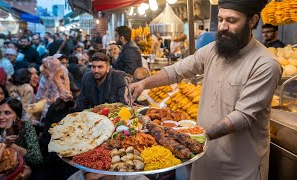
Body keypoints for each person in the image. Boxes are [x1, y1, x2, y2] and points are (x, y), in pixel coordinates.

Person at [126, 0, 282, 179]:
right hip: (204, 157)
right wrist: (143, 84)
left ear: (252, 21)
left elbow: (242, 116)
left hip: (239, 166)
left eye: (231, 21)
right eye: (220, 19)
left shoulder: (265, 64)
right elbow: (177, 71)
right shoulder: (213, 50)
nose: (222, 27)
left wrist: (195, 137)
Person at [63, 53, 127, 111]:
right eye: (93, 67)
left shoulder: (118, 77)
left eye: (100, 67)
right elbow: (82, 103)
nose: (96, 70)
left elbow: (125, 103)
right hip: (95, 118)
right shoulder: (87, 78)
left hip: (114, 116)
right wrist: (71, 103)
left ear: (108, 69)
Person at [0, 98, 42, 170]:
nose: (1, 117)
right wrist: (3, 142)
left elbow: (37, 159)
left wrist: (11, 145)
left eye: (7, 113)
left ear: (17, 117)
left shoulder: (26, 127)